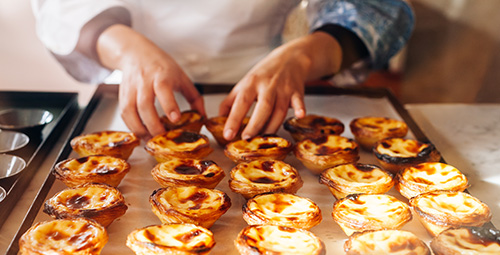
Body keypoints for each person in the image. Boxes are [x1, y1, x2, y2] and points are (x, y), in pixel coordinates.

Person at [31, 0, 414, 141]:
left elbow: (380, 9)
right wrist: (127, 49)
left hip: (262, 93)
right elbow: (60, 7)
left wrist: (303, 55)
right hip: (130, 94)